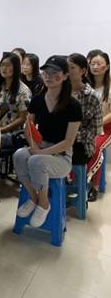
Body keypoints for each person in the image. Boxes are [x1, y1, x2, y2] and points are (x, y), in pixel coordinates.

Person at [13, 56, 82, 227]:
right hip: (40, 146)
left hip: (62, 156)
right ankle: (34, 198)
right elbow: (28, 127)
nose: (49, 76)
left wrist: (40, 152)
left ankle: (44, 204)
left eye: (54, 72)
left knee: (36, 161)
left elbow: (68, 142)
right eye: (46, 72)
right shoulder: (38, 100)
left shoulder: (73, 105)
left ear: (65, 76)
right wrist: (34, 146)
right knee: (19, 155)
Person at [67, 53, 102, 168]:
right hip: (57, 139)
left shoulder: (92, 96)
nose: (67, 71)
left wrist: (71, 136)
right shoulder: (59, 91)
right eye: (66, 67)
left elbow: (96, 130)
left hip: (81, 143)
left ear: (82, 71)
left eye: (72, 67)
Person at [86, 49, 111, 201]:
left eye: (99, 64)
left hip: (105, 128)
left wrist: (97, 123)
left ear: (106, 66)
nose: (95, 67)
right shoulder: (85, 85)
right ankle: (71, 178)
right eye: (92, 64)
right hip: (86, 126)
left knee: (94, 146)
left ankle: (93, 186)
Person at [0, 53, 31, 151]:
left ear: (16, 68)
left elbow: (22, 118)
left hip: (12, 133)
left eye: (8, 65)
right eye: (2, 65)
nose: (4, 68)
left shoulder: (23, 91)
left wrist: (2, 129)